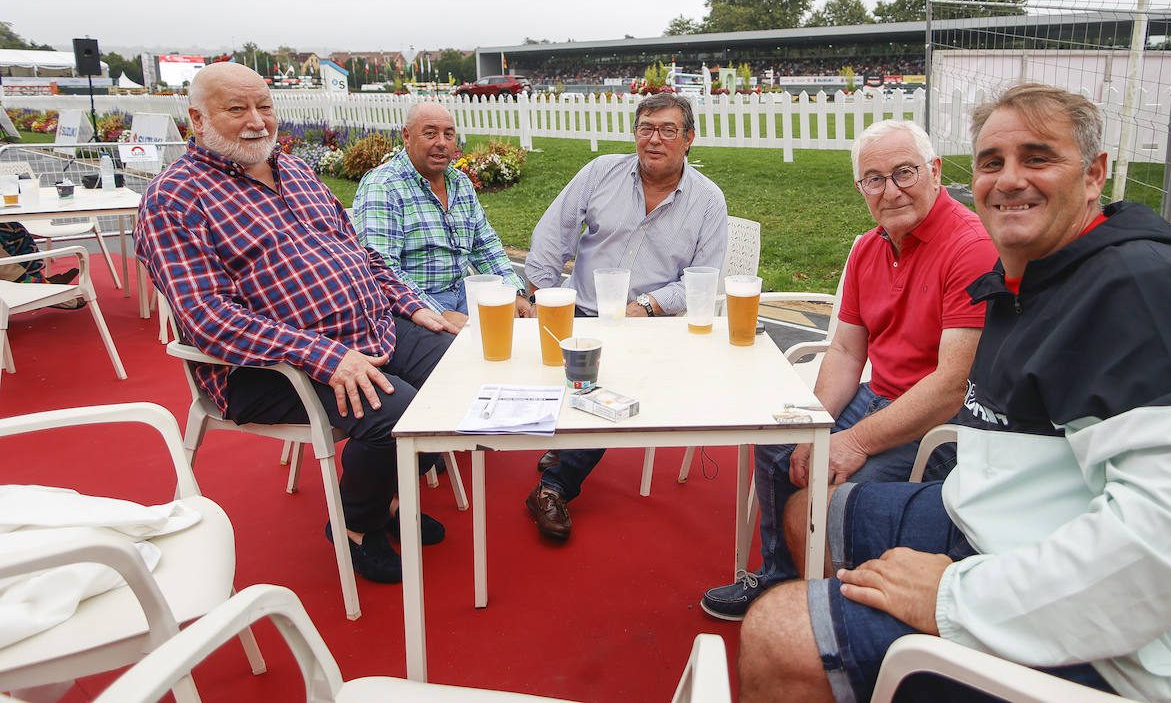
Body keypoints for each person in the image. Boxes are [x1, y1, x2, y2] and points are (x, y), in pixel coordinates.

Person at [738, 83, 1171, 703]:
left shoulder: (1149, 298)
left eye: (1038, 158)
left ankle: (834, 660)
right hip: (1016, 523)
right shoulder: (1046, 273)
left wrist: (952, 597)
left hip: (1160, 654)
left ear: (1094, 175)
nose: (1009, 180)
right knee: (810, 512)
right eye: (992, 162)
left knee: (777, 633)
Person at [135, 62, 463, 586]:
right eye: (236, 108)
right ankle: (357, 527)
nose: (256, 121)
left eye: (264, 105)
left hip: (368, 326)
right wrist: (326, 357)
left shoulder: (297, 172)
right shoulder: (175, 198)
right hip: (269, 366)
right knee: (395, 411)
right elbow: (206, 318)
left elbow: (363, 255)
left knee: (458, 370)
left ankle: (389, 494)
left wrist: (411, 302)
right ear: (197, 119)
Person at [700, 119, 997, 621]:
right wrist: (813, 425)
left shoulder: (971, 248)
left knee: (833, 491)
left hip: (935, 424)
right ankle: (780, 577)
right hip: (878, 394)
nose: (891, 190)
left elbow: (950, 387)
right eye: (874, 179)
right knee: (779, 442)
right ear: (861, 187)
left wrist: (852, 442)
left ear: (936, 171)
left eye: (904, 172)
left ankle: (832, 606)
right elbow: (844, 353)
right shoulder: (868, 247)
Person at [522, 91, 728, 539]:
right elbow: (552, 234)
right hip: (582, 312)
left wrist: (650, 305)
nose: (654, 140)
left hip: (648, 322)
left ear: (689, 138)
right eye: (645, 129)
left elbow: (704, 278)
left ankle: (552, 486)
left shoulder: (709, 201)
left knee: (614, 384)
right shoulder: (601, 173)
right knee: (555, 367)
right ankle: (562, 442)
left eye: (668, 130)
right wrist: (538, 295)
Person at [353, 102, 531, 325]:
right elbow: (382, 269)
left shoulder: (459, 182)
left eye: (449, 134)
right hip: (411, 308)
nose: (441, 143)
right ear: (407, 136)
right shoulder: (383, 186)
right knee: (471, 350)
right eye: (430, 134)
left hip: (465, 295)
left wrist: (513, 292)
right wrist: (440, 313)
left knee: (522, 335)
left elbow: (485, 245)